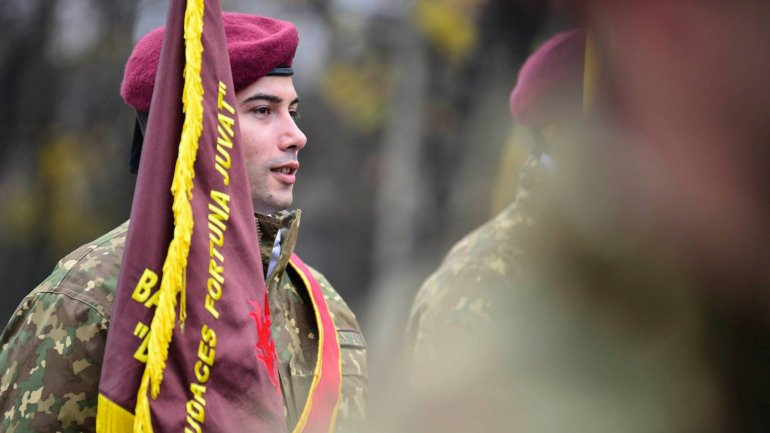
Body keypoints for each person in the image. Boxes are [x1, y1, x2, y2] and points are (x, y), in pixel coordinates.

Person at [0, 12, 367, 433]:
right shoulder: (87, 301)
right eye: (263, 110)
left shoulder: (326, 312)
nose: (295, 135)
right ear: (195, 129)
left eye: (293, 111)